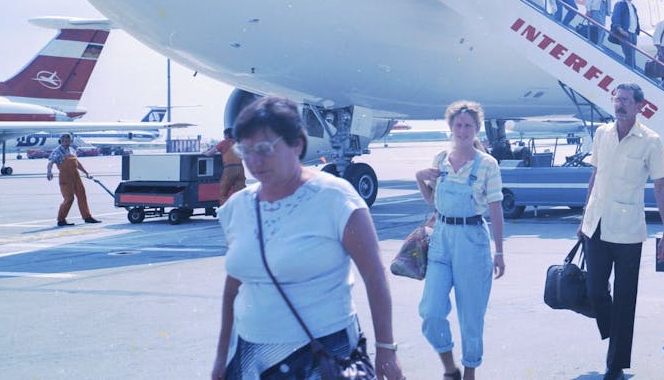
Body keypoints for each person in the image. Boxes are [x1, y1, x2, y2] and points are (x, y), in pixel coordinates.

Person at [212, 96, 405, 380]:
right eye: (246, 150)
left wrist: (386, 349)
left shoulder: (335, 198)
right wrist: (221, 359)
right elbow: (233, 289)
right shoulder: (237, 207)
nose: (254, 161)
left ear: (297, 145)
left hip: (323, 355)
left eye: (265, 149)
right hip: (252, 359)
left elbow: (375, 277)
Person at [581, 84, 664, 380]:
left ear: (639, 106)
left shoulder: (650, 140)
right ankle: (617, 332)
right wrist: (583, 216)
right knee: (595, 289)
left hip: (627, 231)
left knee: (625, 297)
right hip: (595, 225)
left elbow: (660, 187)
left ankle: (616, 364)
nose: (619, 104)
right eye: (616, 99)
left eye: (625, 100)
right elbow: (594, 176)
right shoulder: (602, 134)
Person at [413, 101, 506, 379]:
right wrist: (419, 178)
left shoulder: (487, 165)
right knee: (430, 310)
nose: (463, 130)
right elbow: (433, 200)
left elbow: (496, 208)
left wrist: (499, 252)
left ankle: (469, 374)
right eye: (458, 124)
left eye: (468, 125)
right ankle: (449, 368)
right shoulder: (440, 159)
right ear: (450, 127)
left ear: (476, 128)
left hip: (472, 240)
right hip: (441, 236)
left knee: (471, 317)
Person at [46, 133, 101, 226]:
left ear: (71, 141)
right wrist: (49, 172)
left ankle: (87, 217)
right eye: (65, 141)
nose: (67, 142)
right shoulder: (57, 151)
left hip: (76, 176)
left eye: (68, 141)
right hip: (65, 178)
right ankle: (61, 220)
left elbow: (77, 163)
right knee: (69, 198)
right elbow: (50, 162)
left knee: (82, 196)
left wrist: (86, 172)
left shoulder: (72, 150)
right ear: (61, 141)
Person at [208, 128, 247, 201]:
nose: (223, 137)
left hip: (230, 169)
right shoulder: (239, 143)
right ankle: (241, 210)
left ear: (227, 135)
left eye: (224, 135)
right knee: (241, 192)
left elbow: (210, 153)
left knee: (223, 193)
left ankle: (224, 211)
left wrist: (204, 153)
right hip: (240, 169)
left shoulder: (224, 143)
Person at [609, 0, 641, 69]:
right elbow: (616, 17)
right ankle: (629, 72)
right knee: (629, 55)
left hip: (633, 33)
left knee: (632, 55)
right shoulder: (620, 4)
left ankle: (632, 70)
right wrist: (621, 30)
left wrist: (637, 30)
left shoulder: (632, 6)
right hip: (626, 33)